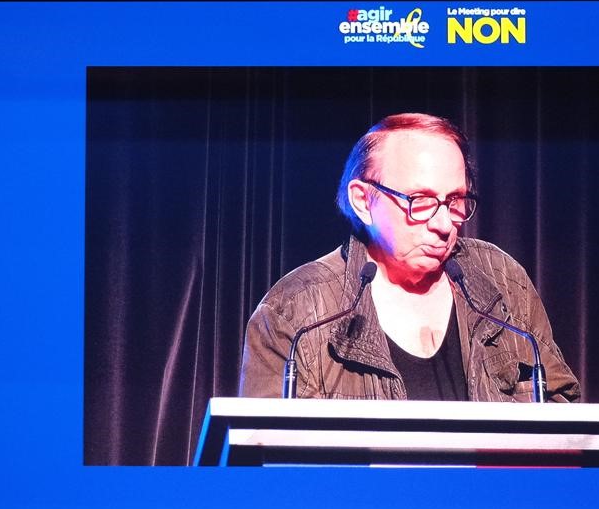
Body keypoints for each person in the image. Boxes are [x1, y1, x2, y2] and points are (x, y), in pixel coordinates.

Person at [239, 112, 580, 403]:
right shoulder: (295, 313)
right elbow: (268, 459)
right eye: (421, 201)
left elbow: (560, 405)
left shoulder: (501, 280)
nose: (445, 224)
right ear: (363, 200)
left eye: (455, 200)